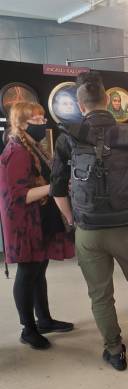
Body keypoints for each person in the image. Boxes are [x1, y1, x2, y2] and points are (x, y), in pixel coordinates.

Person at [50, 71, 128, 371]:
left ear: (81, 105)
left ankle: (115, 351)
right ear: (107, 100)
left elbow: (57, 190)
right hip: (125, 228)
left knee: (100, 294)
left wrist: (72, 219)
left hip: (88, 230)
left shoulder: (68, 138)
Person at [0, 102, 74, 350]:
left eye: (43, 119)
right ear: (22, 123)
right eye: (38, 120)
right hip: (25, 222)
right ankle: (28, 329)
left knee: (39, 269)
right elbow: (19, 195)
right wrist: (55, 188)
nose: (44, 124)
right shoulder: (17, 151)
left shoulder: (31, 146)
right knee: (28, 272)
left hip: (39, 217)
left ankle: (44, 320)